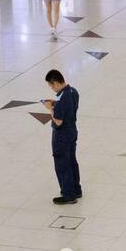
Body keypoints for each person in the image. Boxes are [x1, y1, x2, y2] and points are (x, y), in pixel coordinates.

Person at [43, 69, 81, 205]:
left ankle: (68, 195)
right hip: (72, 131)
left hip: (62, 135)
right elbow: (68, 107)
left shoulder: (62, 99)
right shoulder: (72, 92)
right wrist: (55, 103)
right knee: (71, 161)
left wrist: (50, 108)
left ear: (55, 83)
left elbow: (58, 120)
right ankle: (76, 189)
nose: (52, 89)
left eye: (51, 86)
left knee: (62, 164)